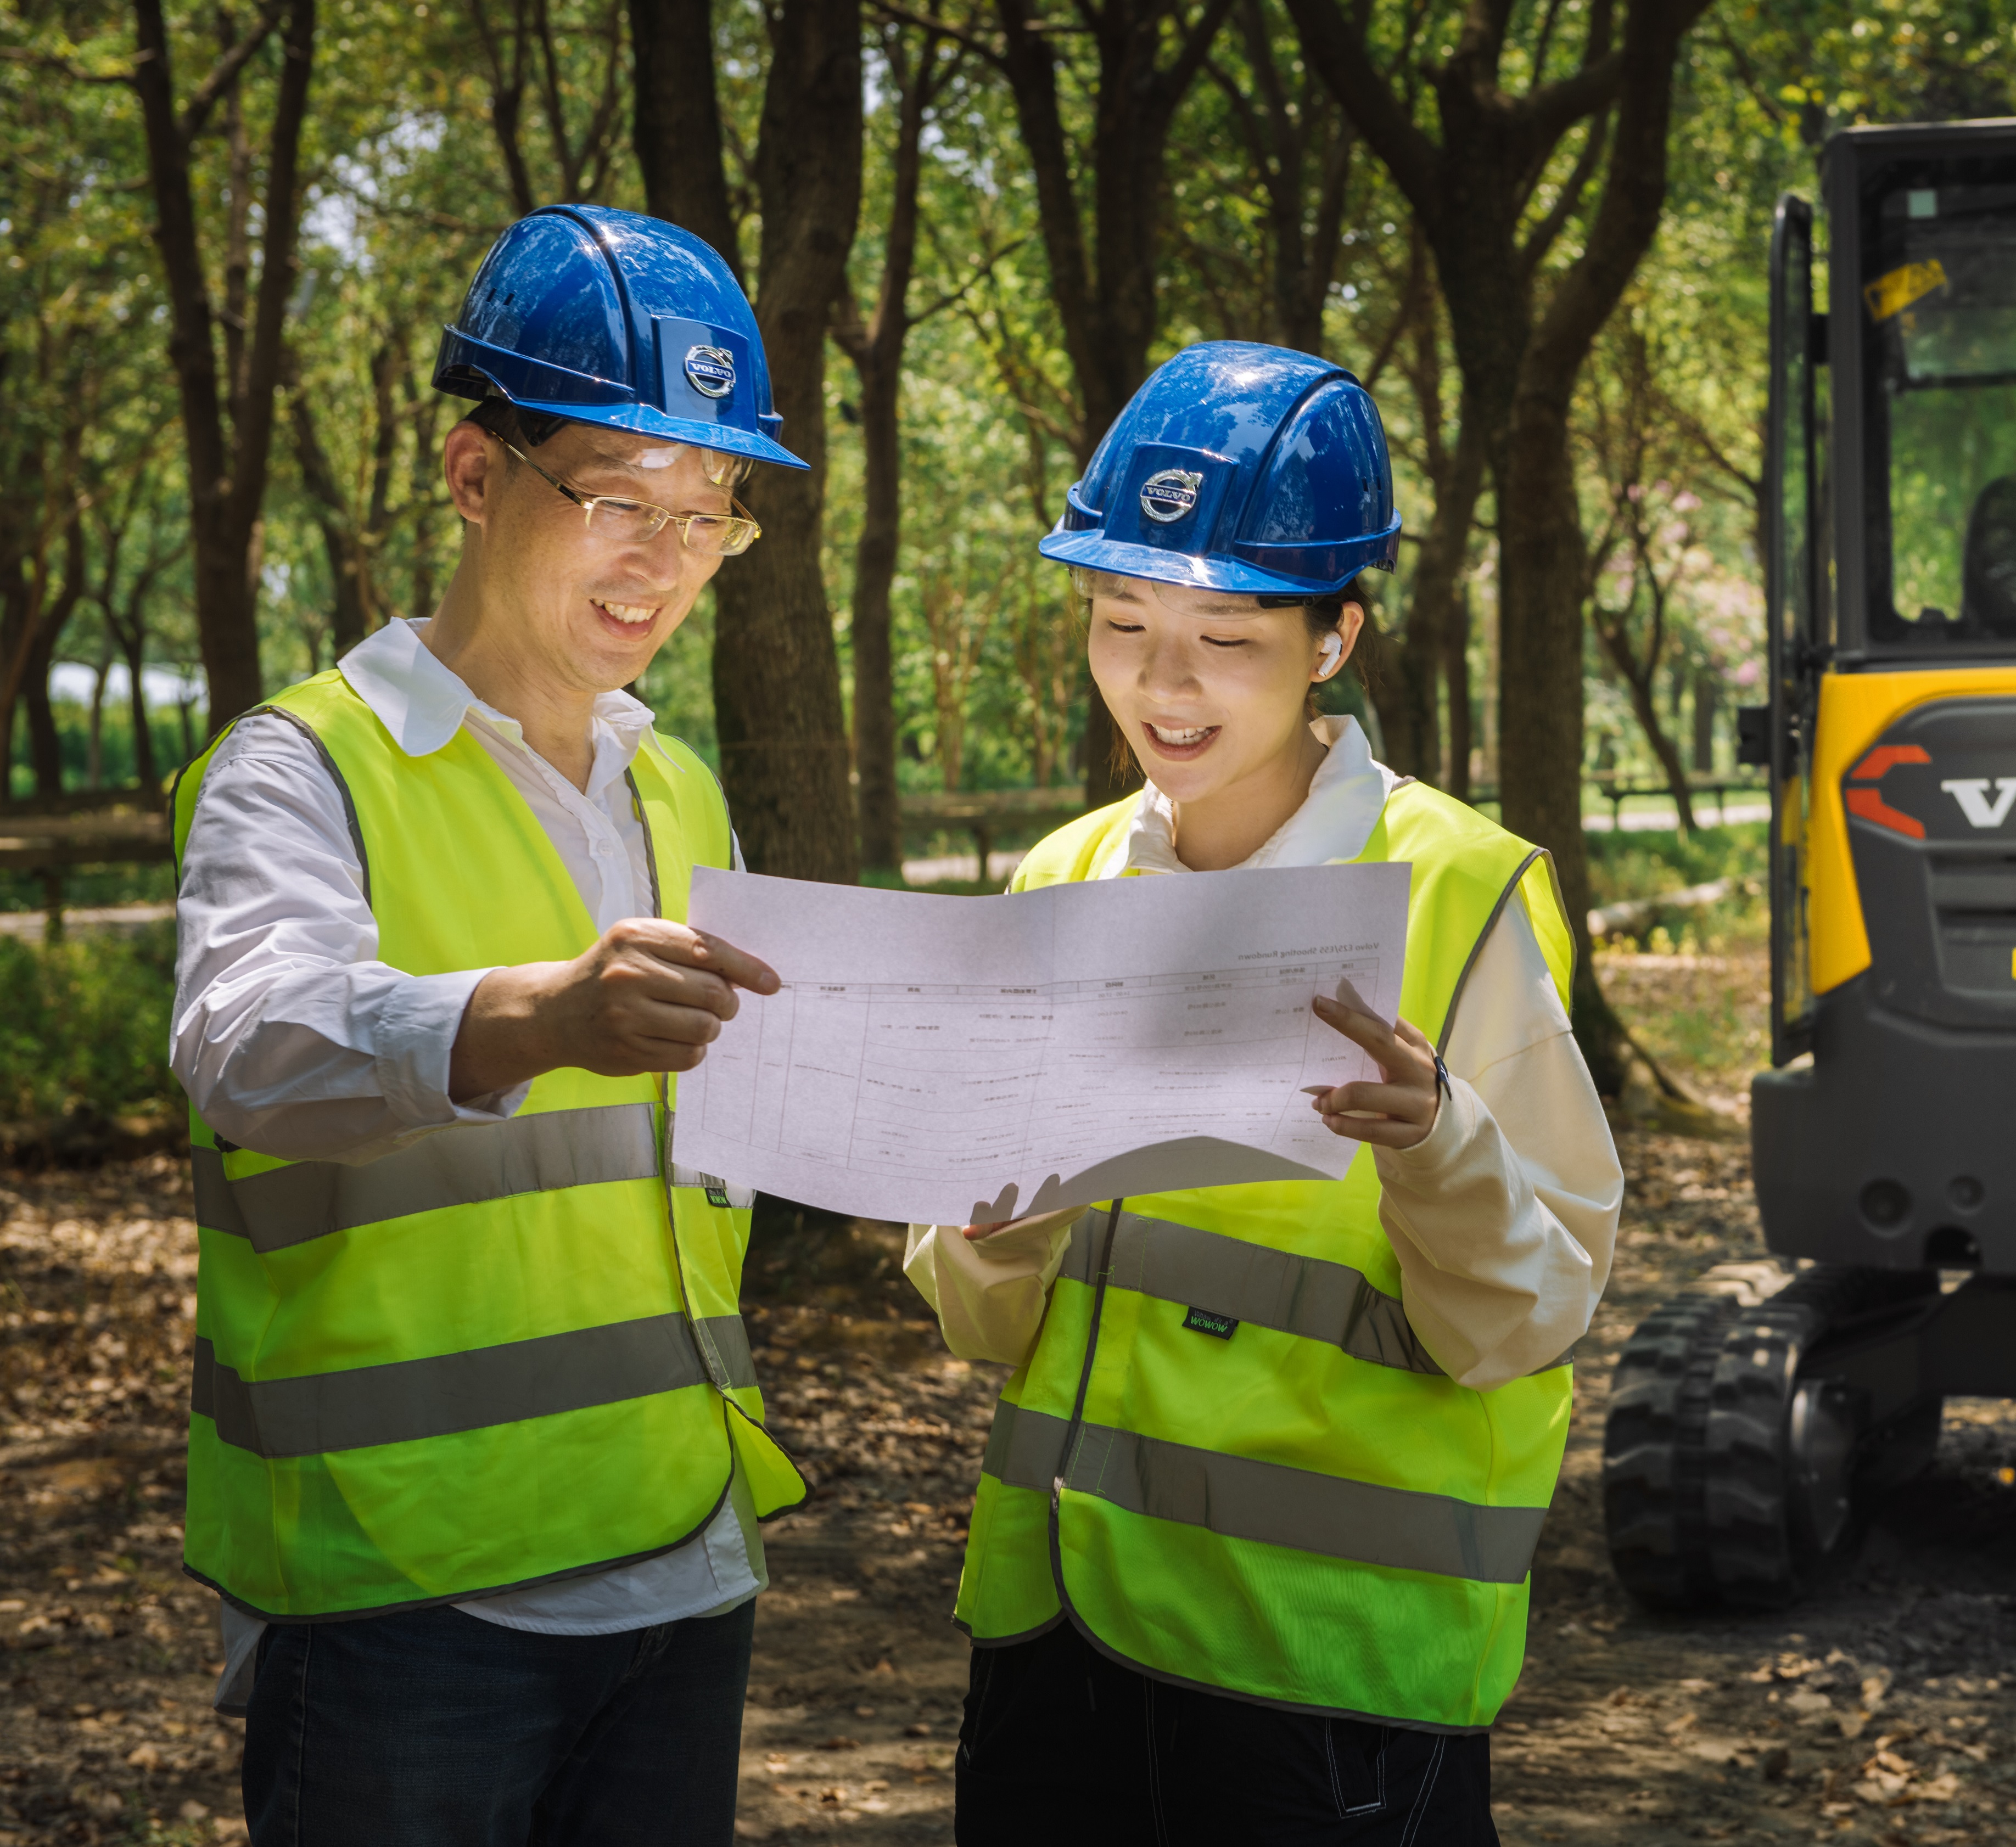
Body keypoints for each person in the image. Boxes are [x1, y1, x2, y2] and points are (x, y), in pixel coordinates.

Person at [905, 341, 1626, 1842]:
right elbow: (980, 1318)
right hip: (1056, 1646)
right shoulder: (1060, 881)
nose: (1163, 684)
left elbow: (1533, 1313)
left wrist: (1437, 1142)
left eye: (1227, 637)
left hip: (1329, 1677)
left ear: (1336, 637)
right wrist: (993, 1207)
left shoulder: (1458, 894)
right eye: (1121, 623)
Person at [169, 204, 804, 1845]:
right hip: (408, 1595)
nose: (661, 559)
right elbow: (251, 1045)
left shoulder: (680, 786)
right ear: (473, 478)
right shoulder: (304, 767)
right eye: (616, 499)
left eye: (707, 513)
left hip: (678, 1555)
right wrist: (541, 1014)